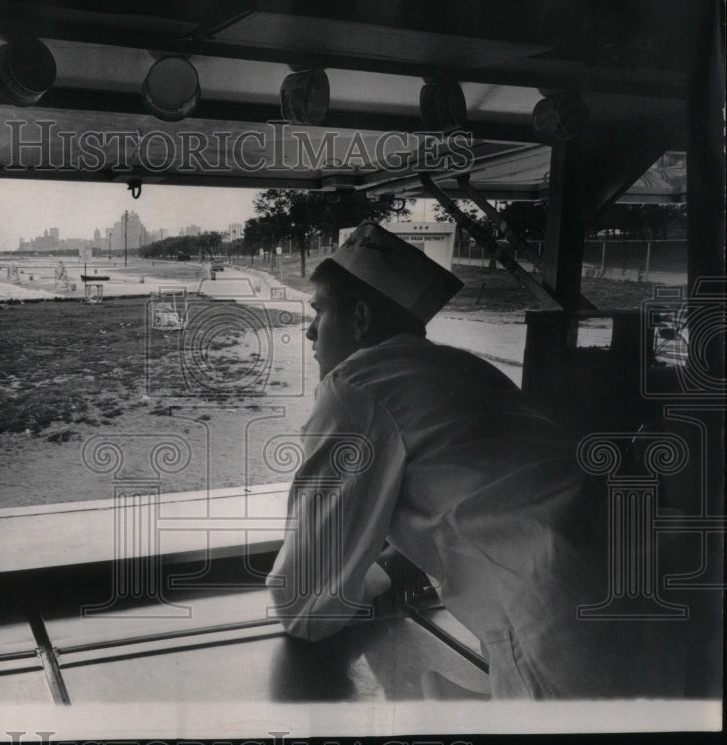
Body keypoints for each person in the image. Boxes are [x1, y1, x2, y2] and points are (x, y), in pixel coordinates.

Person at [267, 222, 687, 699]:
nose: (310, 333)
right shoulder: (464, 367)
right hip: (653, 604)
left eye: (319, 311)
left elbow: (304, 605)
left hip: (554, 625)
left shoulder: (354, 387)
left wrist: (377, 576)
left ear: (360, 318)